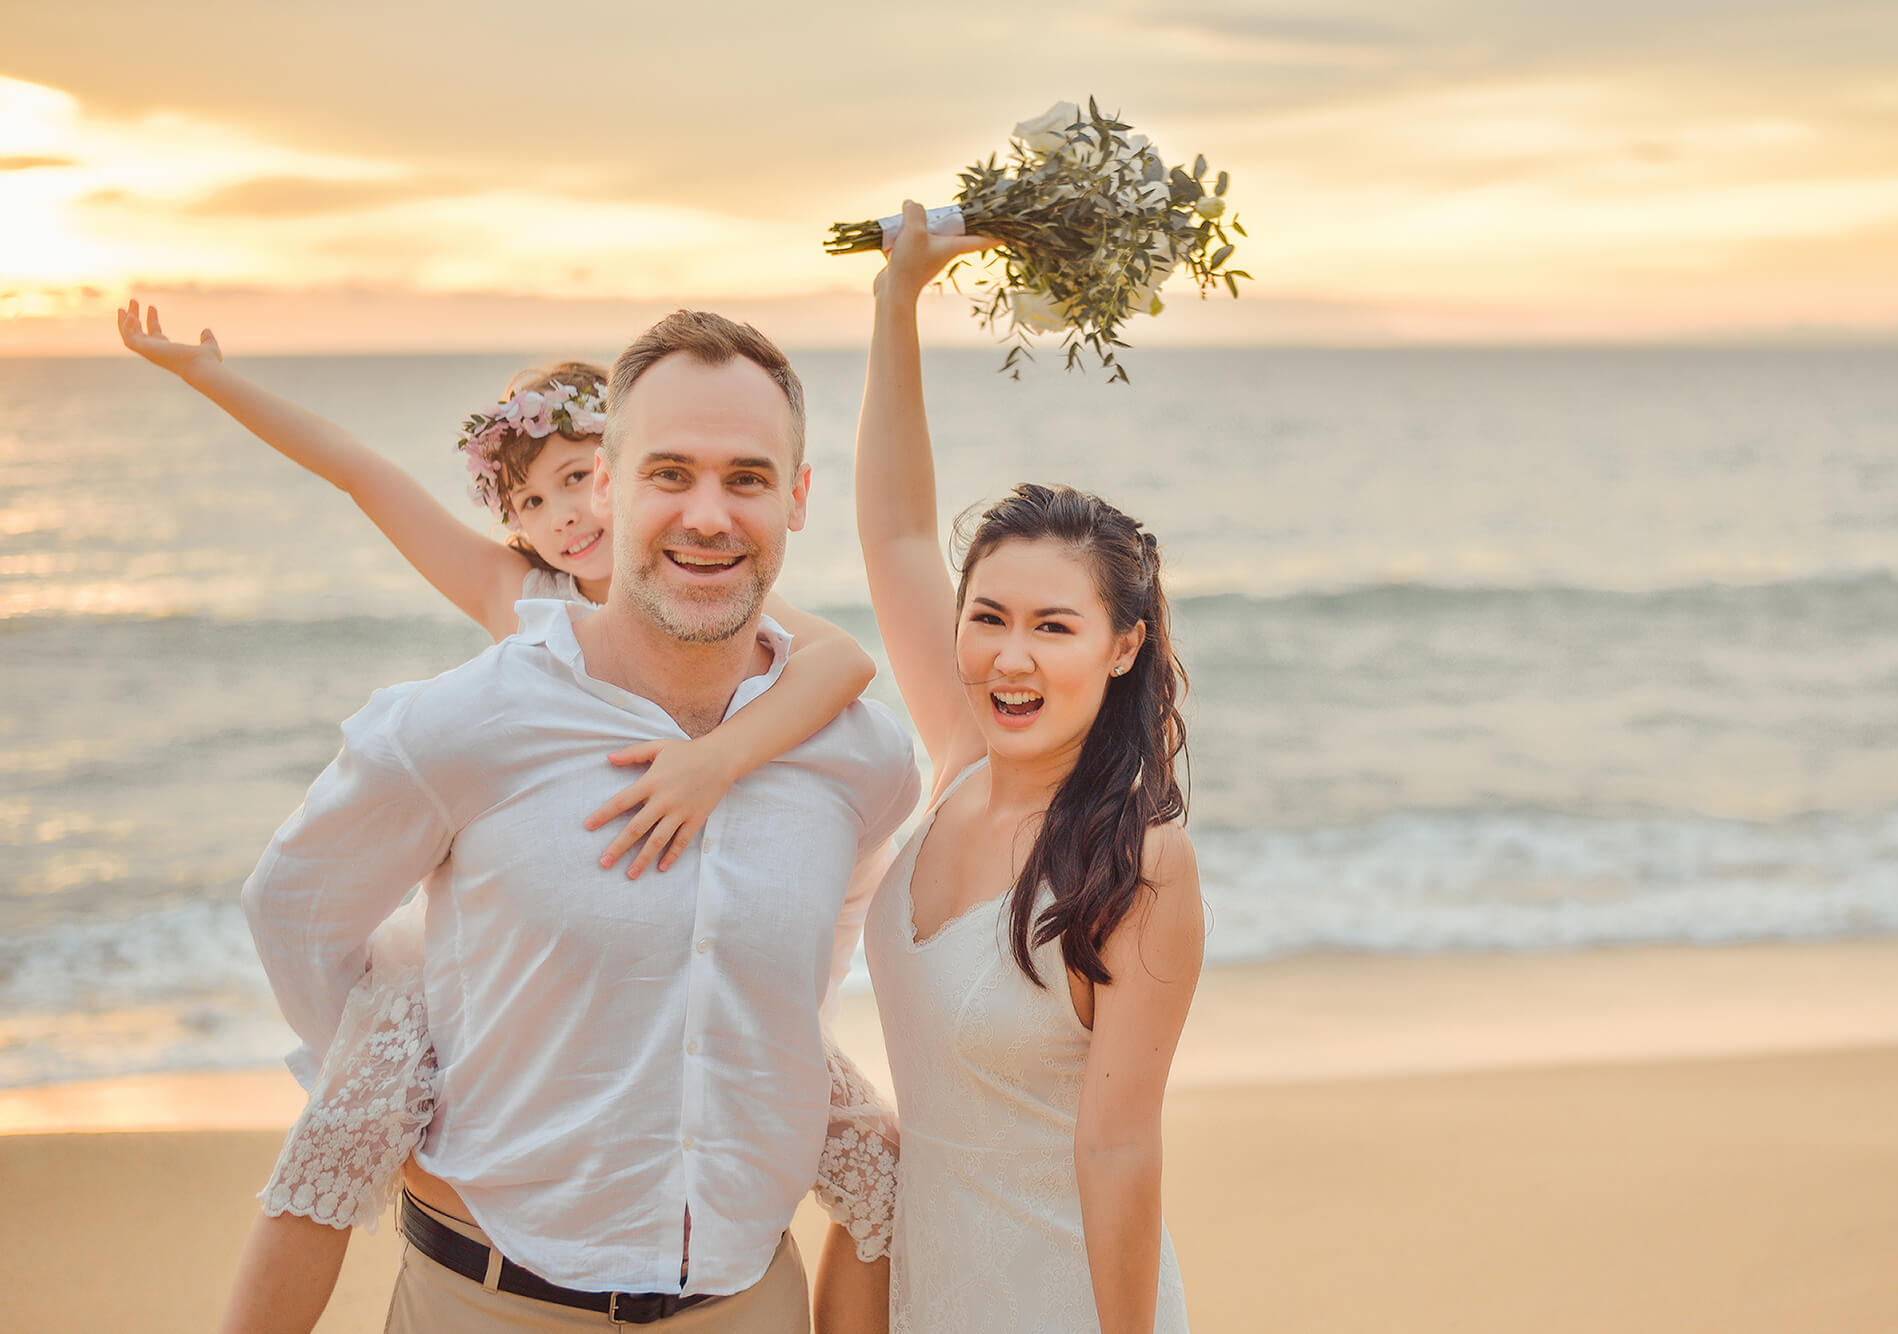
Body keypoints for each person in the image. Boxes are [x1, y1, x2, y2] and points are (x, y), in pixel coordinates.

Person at [221, 308, 918, 1331]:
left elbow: (837, 920)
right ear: (618, 481)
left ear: (797, 497)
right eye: (669, 473)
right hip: (489, 1300)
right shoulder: (461, 722)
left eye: (748, 478)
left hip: (746, 1299)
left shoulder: (861, 755)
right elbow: (294, 908)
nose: (709, 515)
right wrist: (417, 1067)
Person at [855, 200, 1204, 1333]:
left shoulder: (1134, 860)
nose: (1010, 654)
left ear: (1121, 645)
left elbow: (1115, 1143)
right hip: (925, 1284)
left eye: (1053, 626)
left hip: (1060, 1300)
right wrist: (896, 301)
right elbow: (898, 532)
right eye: (986, 616)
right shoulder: (959, 756)